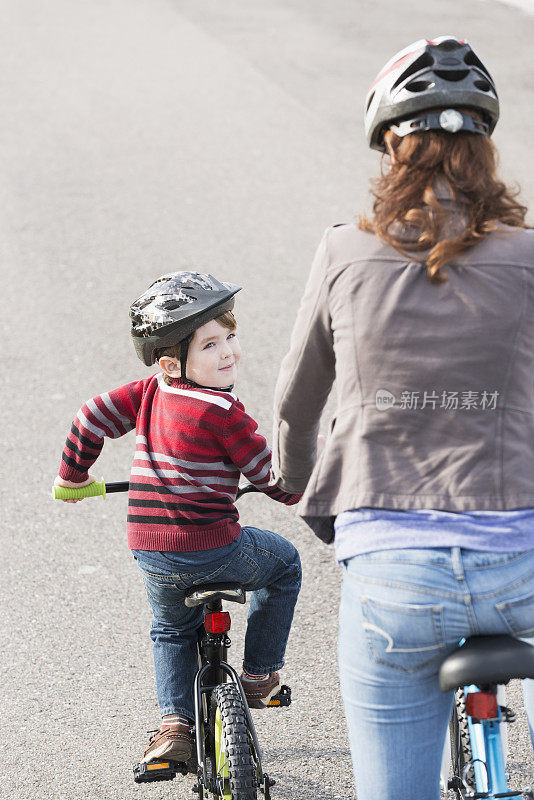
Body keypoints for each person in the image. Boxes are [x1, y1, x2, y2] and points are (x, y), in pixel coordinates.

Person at [271, 35, 534, 800]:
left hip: (395, 576)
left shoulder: (342, 253)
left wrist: (292, 483)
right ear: (483, 148)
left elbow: (295, 403)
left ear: (391, 144)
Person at [54, 270, 302, 765]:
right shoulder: (224, 411)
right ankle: (257, 674)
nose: (228, 352)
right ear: (172, 360)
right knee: (285, 565)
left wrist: (73, 476)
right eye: (210, 345)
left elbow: (90, 416)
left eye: (229, 337)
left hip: (151, 550)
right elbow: (268, 475)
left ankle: (175, 728)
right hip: (214, 546)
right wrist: (296, 488)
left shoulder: (150, 390)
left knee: (170, 630)